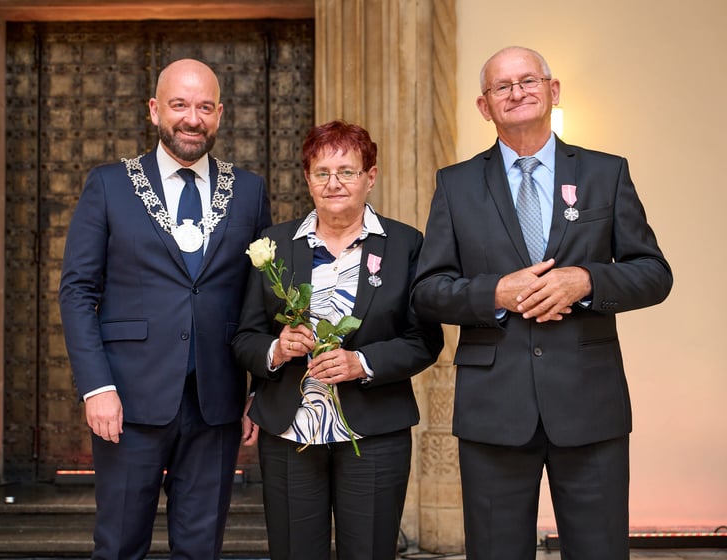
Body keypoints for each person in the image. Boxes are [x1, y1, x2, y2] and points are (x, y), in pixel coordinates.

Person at [410, 46, 672, 559]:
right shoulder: (456, 184)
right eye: (501, 87)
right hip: (494, 408)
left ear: (553, 92)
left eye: (528, 80)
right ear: (484, 107)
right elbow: (427, 290)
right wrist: (495, 294)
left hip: (589, 403)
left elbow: (654, 274)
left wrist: (587, 281)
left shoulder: (606, 173)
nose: (517, 92)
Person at [58, 58, 272, 560]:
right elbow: (77, 291)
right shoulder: (109, 185)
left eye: (203, 107)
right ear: (155, 110)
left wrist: (259, 390)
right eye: (179, 105)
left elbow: (259, 299)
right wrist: (97, 387)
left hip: (217, 403)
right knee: (119, 546)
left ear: (219, 114)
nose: (191, 119)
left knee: (201, 549)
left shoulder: (248, 190)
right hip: (127, 402)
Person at [232, 120, 444, 560]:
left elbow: (424, 339)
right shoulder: (273, 245)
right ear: (307, 179)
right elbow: (244, 337)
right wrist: (275, 349)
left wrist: (362, 362)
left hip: (375, 431)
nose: (334, 183)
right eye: (322, 172)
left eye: (347, 171)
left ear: (371, 176)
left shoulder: (405, 245)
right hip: (291, 430)